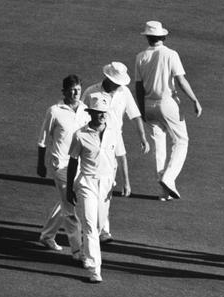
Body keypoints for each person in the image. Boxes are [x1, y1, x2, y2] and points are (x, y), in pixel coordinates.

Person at [81, 62, 150, 242]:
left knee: (107, 187)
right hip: (92, 142)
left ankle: (103, 230)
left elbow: (135, 115)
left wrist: (143, 138)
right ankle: (86, 224)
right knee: (87, 188)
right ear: (108, 78)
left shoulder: (124, 92)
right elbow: (80, 118)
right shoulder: (91, 92)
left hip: (114, 140)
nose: (119, 85)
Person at [134, 20, 202, 201]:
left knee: (159, 147)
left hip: (148, 105)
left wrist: (141, 110)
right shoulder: (171, 54)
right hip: (168, 103)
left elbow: (139, 87)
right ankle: (168, 178)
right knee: (181, 141)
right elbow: (181, 81)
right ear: (162, 36)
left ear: (148, 37)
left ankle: (163, 192)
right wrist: (194, 100)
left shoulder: (140, 56)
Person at [66, 94, 120, 283]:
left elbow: (115, 160)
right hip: (86, 183)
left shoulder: (114, 133)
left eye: (104, 113)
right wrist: (69, 187)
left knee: (97, 226)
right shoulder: (80, 134)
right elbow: (73, 161)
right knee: (89, 225)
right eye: (98, 113)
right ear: (91, 114)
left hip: (105, 184)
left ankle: (89, 257)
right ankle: (95, 269)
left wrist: (114, 182)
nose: (101, 116)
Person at [36, 74, 88, 258]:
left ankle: (47, 235)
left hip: (81, 165)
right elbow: (43, 140)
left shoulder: (86, 110)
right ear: (64, 91)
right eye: (72, 89)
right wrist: (40, 164)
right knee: (70, 208)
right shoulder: (54, 111)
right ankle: (77, 250)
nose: (75, 93)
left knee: (66, 200)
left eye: (78, 90)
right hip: (60, 165)